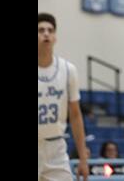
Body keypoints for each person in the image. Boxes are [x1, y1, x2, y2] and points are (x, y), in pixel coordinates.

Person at [39, 13, 90, 180]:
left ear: (55, 37)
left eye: (50, 30)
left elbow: (75, 115)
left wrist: (83, 159)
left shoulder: (68, 70)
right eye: (40, 30)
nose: (46, 34)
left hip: (56, 148)